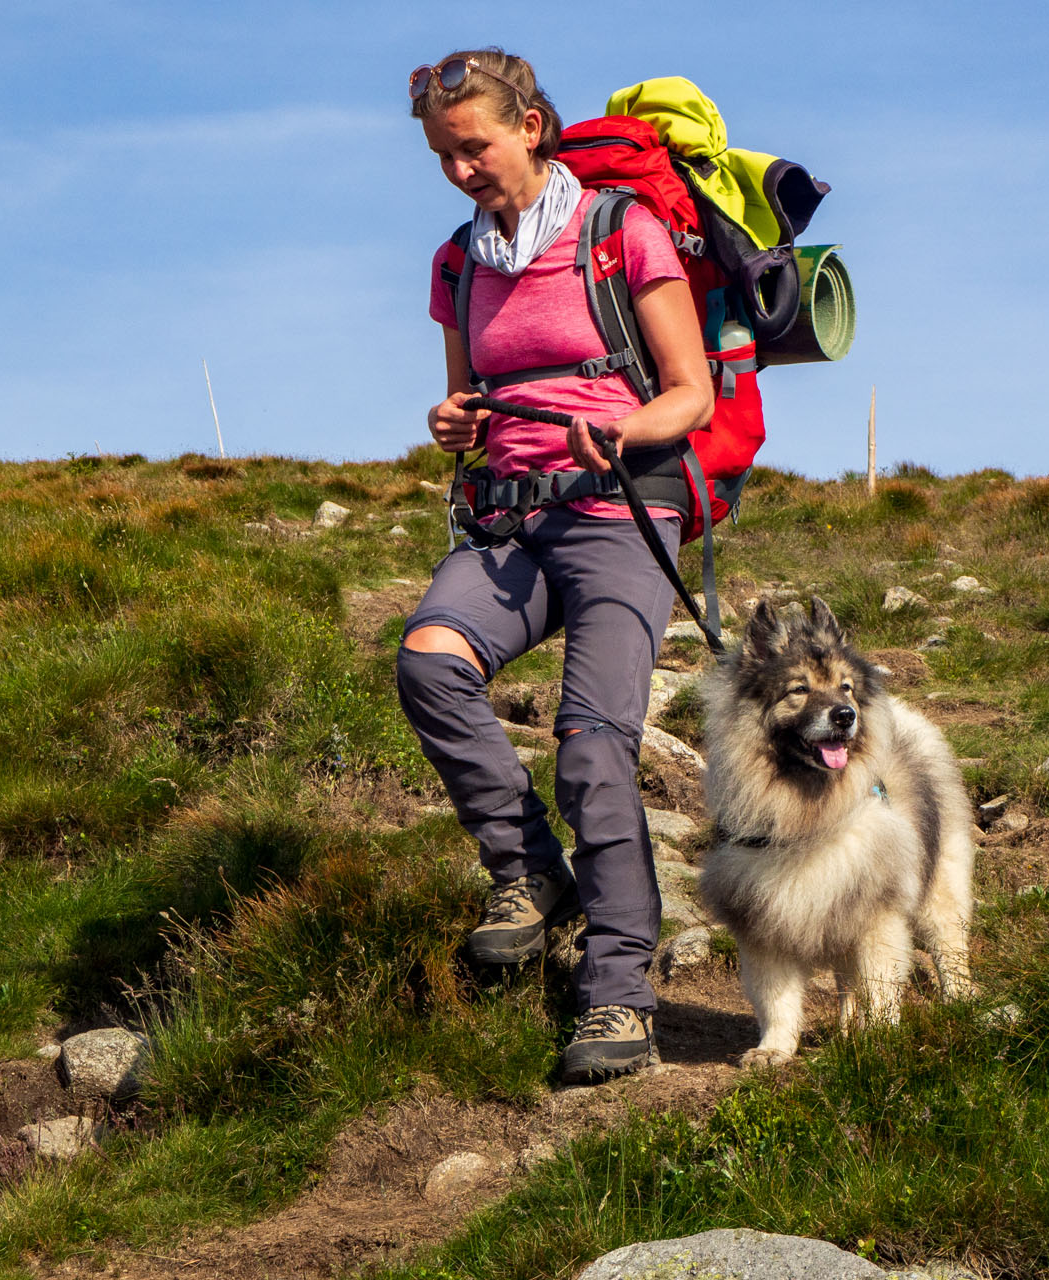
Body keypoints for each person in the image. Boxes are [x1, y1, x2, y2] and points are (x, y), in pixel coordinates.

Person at [395, 49, 713, 1083]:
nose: (459, 170)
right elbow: (470, 409)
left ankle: (620, 993)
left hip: (622, 508)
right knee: (430, 661)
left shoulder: (622, 232)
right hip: (508, 516)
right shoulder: (457, 261)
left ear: (529, 126)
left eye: (473, 146)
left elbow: (689, 393)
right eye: (443, 155)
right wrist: (453, 421)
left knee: (591, 744)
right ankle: (531, 867)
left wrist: (622, 429)